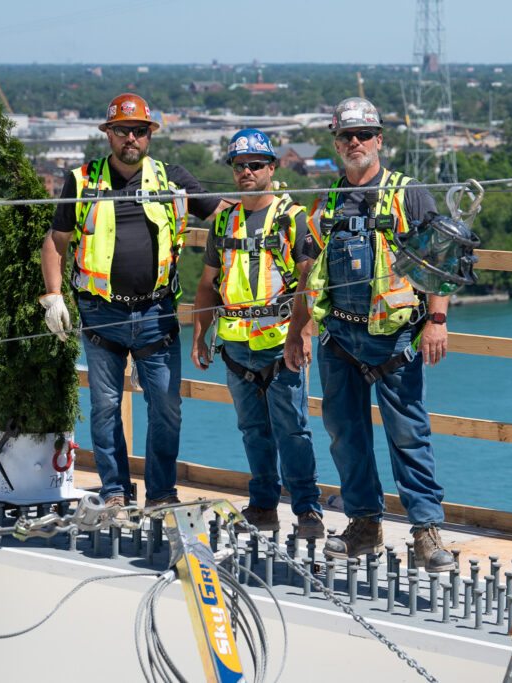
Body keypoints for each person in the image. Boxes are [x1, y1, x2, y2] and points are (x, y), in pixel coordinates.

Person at [283, 96, 455, 571]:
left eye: (362, 135)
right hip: (339, 339)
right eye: (345, 136)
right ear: (336, 143)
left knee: (408, 435)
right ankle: (364, 524)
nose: (354, 143)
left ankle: (425, 529)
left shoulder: (408, 194)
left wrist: (436, 320)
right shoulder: (327, 203)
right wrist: (298, 331)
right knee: (346, 435)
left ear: (379, 140)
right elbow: (308, 275)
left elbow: (440, 259)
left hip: (395, 339)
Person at [40, 93, 231, 511]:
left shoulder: (171, 178)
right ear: (108, 134)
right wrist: (53, 295)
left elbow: (225, 214)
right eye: (123, 130)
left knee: (166, 407)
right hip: (101, 312)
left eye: (140, 131)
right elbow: (56, 242)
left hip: (156, 312)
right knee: (105, 407)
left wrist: (273, 206)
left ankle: (160, 493)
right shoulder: (83, 180)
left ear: (149, 136)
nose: (132, 138)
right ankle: (114, 492)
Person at [191, 129, 325, 539]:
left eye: (254, 165)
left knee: (294, 430)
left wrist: (301, 334)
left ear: (272, 167)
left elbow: (310, 281)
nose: (246, 172)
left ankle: (307, 510)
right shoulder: (225, 222)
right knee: (252, 431)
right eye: (238, 166)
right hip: (235, 347)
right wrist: (200, 334)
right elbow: (206, 284)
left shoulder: (291, 218)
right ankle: (264, 506)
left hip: (280, 343)